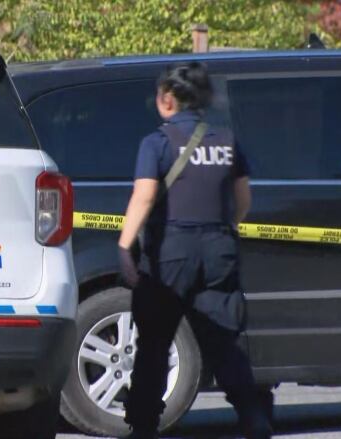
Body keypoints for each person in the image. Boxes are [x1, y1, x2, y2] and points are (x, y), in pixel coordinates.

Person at [118, 62, 274, 439]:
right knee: (225, 340)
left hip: (171, 252)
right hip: (219, 249)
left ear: (167, 99)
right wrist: (223, 231)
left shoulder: (156, 142)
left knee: (155, 342)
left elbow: (145, 196)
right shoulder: (226, 140)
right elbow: (243, 200)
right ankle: (253, 416)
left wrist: (125, 247)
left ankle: (143, 426)